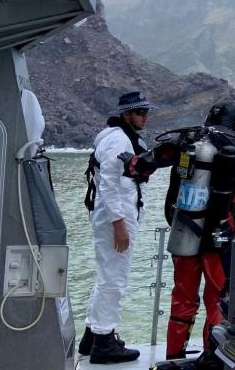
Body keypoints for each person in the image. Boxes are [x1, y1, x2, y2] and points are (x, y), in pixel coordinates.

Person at [164, 99, 235, 361]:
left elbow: (146, 163)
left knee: (182, 297)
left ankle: (173, 356)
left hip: (185, 232)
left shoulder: (188, 142)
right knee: (219, 299)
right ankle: (212, 357)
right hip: (221, 236)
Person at [79, 91, 156, 363]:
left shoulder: (116, 136)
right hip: (116, 217)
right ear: (127, 114)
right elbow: (108, 184)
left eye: (146, 112)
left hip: (116, 215)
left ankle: (92, 335)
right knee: (115, 279)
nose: (145, 117)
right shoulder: (118, 140)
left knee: (107, 275)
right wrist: (119, 224)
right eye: (140, 112)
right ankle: (104, 342)